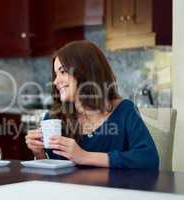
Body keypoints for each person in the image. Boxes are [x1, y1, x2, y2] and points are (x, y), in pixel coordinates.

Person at [25, 41, 159, 169]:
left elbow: (149, 159)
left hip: (112, 191)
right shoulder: (54, 118)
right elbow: (51, 169)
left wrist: (85, 156)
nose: (55, 81)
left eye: (63, 72)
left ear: (85, 71)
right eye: (55, 74)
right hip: (66, 192)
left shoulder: (124, 111)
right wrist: (39, 153)